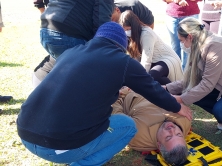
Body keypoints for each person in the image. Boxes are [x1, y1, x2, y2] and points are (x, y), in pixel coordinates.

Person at [17, 22, 192, 166]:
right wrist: (177, 107)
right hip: (56, 146)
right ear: (122, 46)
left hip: (25, 131)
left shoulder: (71, 53)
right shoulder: (123, 62)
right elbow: (152, 89)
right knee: (127, 126)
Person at [32, 0, 116, 88]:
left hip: (46, 28)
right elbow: (101, 22)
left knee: (64, 71)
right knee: (89, 81)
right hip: (68, 33)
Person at [111, 87, 191, 165]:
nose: (172, 130)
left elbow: (114, 112)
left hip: (129, 91)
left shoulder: (137, 133)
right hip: (152, 86)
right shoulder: (185, 120)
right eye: (178, 134)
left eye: (168, 137)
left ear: (159, 145)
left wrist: (123, 92)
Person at [119, 10, 183, 85]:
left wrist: (140, 79)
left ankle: (176, 93)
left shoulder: (146, 33)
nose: (127, 32)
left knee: (153, 76)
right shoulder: (130, 37)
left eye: (128, 29)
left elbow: (146, 60)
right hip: (154, 62)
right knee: (146, 77)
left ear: (134, 26)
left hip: (166, 59)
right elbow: (135, 59)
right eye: (125, 30)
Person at [162, 0, 202, 70]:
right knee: (175, 47)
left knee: (189, 47)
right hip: (172, 16)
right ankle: (176, 73)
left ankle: (186, 75)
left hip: (191, 16)